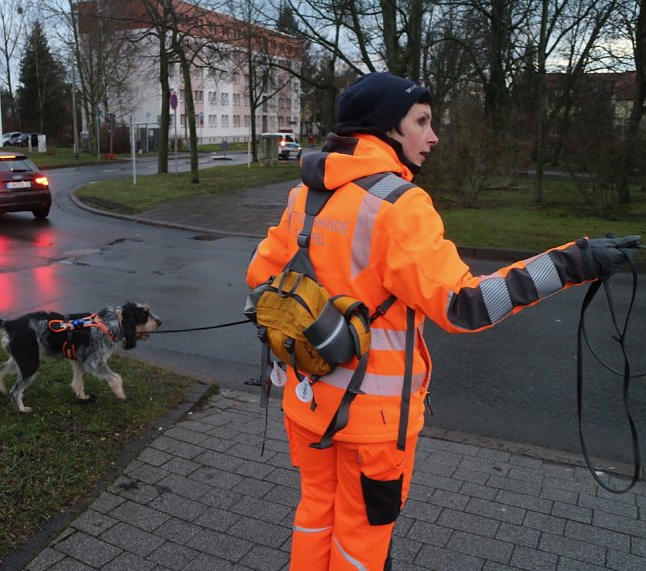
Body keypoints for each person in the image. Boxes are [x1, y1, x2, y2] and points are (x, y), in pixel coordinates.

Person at [244, 72, 640, 571]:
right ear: (387, 129)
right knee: (360, 544)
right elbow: (464, 306)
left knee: (315, 517)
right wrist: (570, 264)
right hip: (373, 422)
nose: (433, 137)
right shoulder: (399, 205)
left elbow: (260, 277)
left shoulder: (306, 194)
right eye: (422, 122)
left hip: (305, 402)